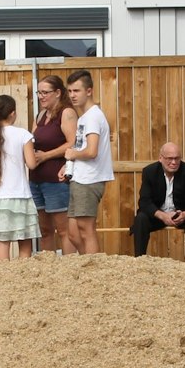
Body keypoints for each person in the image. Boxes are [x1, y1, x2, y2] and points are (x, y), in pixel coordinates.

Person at [0, 94, 42, 261]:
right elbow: (32, 164)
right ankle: (23, 276)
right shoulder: (23, 134)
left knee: (2, 241)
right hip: (20, 195)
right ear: (13, 113)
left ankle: (4, 277)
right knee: (24, 239)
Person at [60, 70, 115, 255]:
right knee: (74, 233)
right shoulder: (84, 117)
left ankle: (95, 269)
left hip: (90, 179)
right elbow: (80, 147)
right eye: (70, 91)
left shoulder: (93, 116)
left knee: (86, 229)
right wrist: (68, 164)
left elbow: (91, 151)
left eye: (77, 91)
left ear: (89, 91)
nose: (72, 95)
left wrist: (73, 154)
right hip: (80, 177)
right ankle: (88, 265)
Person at [131, 142, 185, 262]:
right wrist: (162, 216)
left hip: (180, 215)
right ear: (160, 158)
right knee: (140, 219)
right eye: (169, 158)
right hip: (158, 216)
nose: (174, 162)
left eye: (177, 158)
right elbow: (144, 202)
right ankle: (139, 262)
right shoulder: (149, 172)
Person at [30, 74, 75, 254]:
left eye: (45, 92)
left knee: (64, 230)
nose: (41, 96)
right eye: (39, 92)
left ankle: (68, 269)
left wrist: (46, 156)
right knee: (45, 230)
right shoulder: (40, 115)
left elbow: (73, 143)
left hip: (57, 179)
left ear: (57, 92)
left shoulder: (67, 113)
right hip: (36, 179)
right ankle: (48, 269)